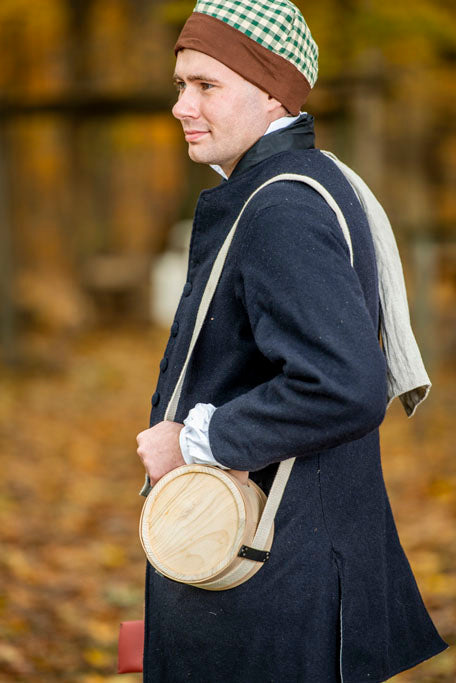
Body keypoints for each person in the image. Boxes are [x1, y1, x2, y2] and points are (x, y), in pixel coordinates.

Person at [136, 1, 447, 680]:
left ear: (274, 92)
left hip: (274, 584)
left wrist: (194, 439)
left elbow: (343, 383)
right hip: (288, 569)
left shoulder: (281, 207)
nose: (182, 106)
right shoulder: (302, 184)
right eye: (179, 85)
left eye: (206, 86)